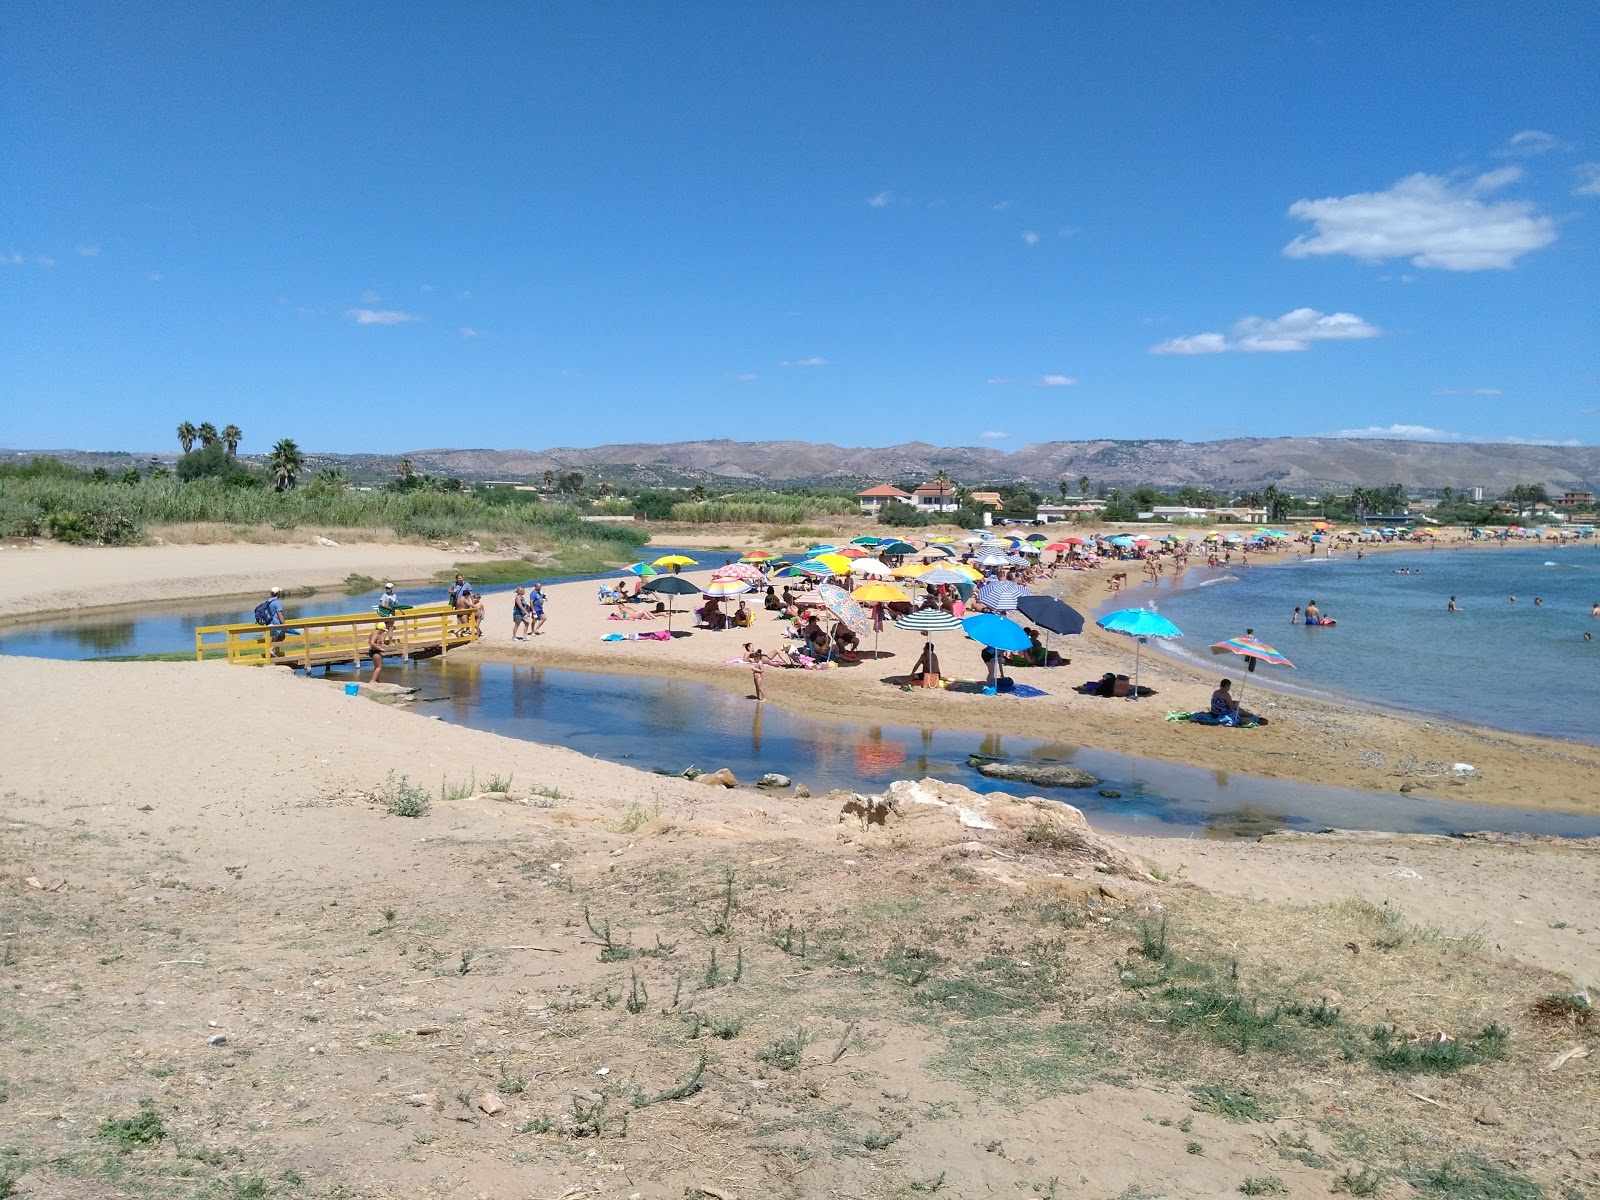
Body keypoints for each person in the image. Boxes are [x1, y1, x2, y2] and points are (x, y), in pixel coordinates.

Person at [261, 586, 287, 657]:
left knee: (274, 637)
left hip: (269, 623)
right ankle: (271, 650)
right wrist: (284, 624)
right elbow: (280, 614)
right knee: (282, 636)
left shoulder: (268, 601)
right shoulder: (277, 602)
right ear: (278, 593)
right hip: (276, 623)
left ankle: (271, 652)